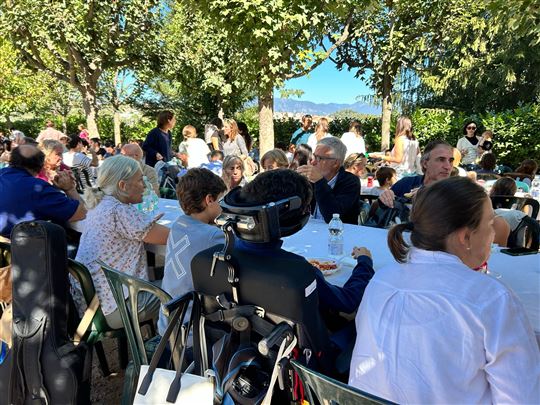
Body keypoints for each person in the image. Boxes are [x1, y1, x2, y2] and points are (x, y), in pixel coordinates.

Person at [349, 177, 539, 403]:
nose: (493, 234)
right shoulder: (491, 297)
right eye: (489, 224)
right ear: (465, 236)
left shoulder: (382, 279)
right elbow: (523, 397)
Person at [225, 168, 374, 316]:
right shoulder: (297, 271)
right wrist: (364, 263)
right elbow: (347, 301)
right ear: (294, 215)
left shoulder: (220, 256)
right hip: (305, 337)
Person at [72, 155, 169, 329]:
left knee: (166, 275)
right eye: (140, 180)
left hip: (91, 305)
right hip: (117, 308)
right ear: (122, 186)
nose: (144, 185)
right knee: (185, 288)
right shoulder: (120, 211)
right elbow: (175, 237)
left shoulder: (99, 205)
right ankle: (173, 349)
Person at [158, 168, 227, 334]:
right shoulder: (212, 236)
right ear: (209, 199)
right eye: (221, 201)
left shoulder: (178, 224)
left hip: (167, 324)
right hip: (190, 333)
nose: (223, 207)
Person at [0, 145, 86, 239]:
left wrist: (54, 189)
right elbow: (80, 213)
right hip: (27, 248)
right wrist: (70, 189)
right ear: (41, 166)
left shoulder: (3, 174)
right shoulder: (36, 187)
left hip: (6, 244)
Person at [297, 137, 360, 224]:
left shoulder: (351, 182)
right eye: (314, 156)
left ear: (335, 163)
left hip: (340, 234)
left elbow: (332, 216)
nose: (313, 162)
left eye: (319, 158)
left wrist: (319, 181)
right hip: (312, 230)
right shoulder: (310, 180)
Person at [378, 139, 454, 207]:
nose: (448, 166)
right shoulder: (407, 183)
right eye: (441, 160)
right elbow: (375, 209)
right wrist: (384, 198)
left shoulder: (455, 193)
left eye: (450, 161)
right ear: (425, 163)